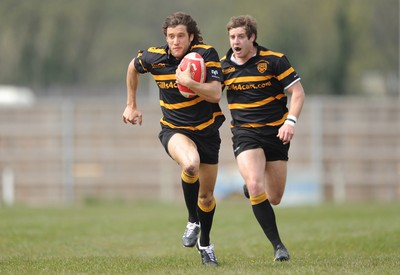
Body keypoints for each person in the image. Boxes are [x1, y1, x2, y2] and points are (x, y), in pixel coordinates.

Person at [122, 12, 225, 266]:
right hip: (174, 129)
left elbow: (214, 93)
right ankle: (192, 220)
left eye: (180, 36)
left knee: (207, 197)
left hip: (207, 132)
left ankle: (206, 243)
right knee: (190, 164)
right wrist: (131, 104)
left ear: (191, 37)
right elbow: (132, 67)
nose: (175, 41)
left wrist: (190, 82)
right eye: (171, 36)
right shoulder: (155, 57)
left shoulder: (206, 54)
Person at [221, 15, 305, 261]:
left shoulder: (274, 61)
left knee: (275, 198)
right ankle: (278, 246)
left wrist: (290, 121)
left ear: (252, 38)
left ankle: (252, 187)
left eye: (240, 37)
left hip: (276, 133)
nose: (235, 42)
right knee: (257, 185)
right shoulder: (222, 67)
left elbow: (297, 94)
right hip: (245, 133)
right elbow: (212, 94)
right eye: (232, 37)